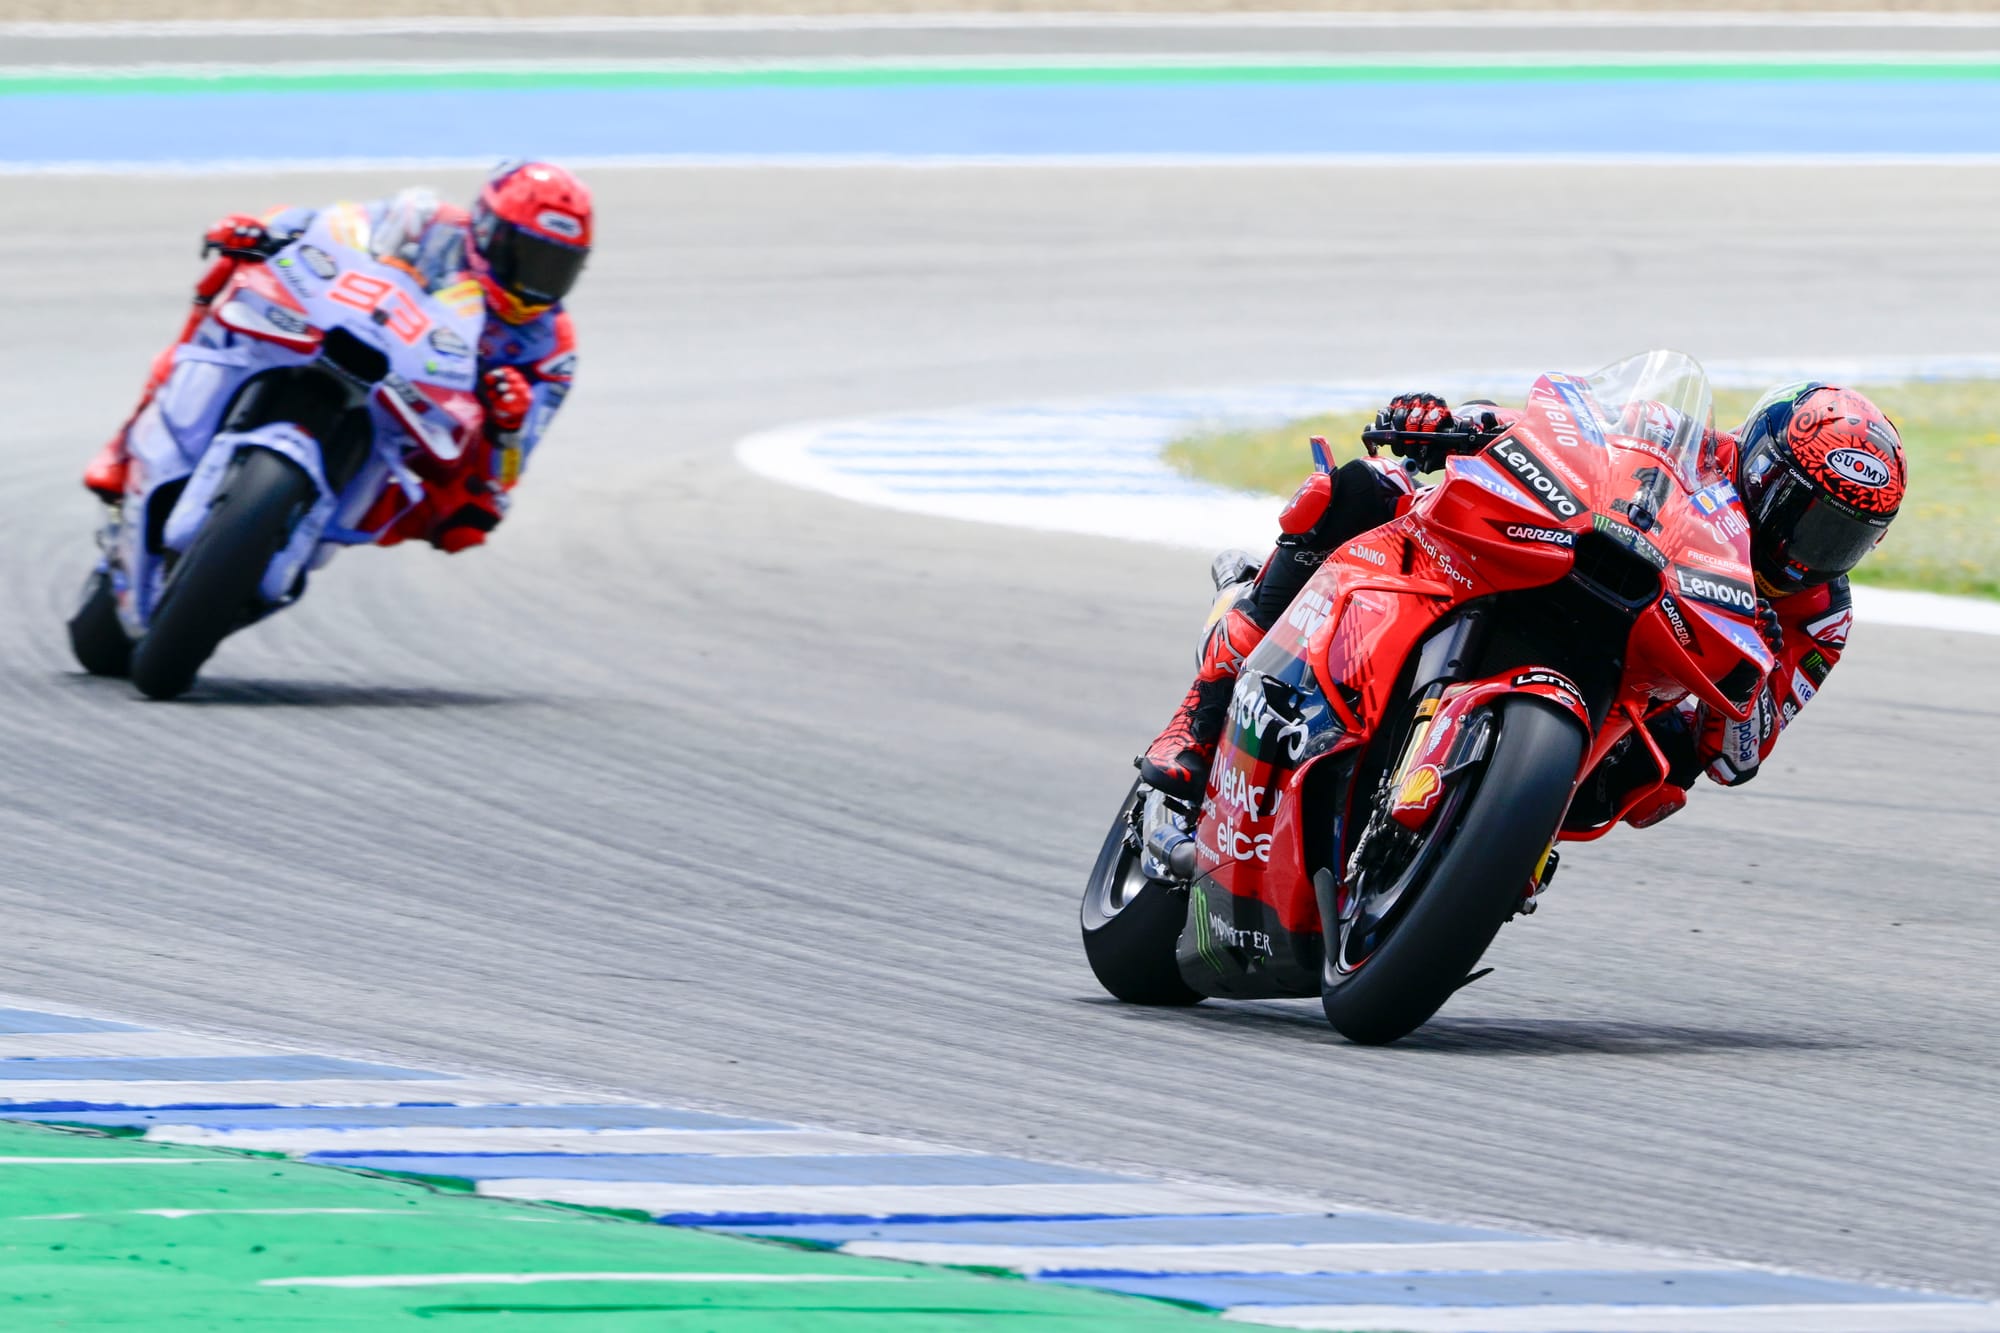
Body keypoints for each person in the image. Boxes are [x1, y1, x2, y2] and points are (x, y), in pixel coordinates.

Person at [1138, 383, 1907, 825]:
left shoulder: (1823, 618)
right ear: (1767, 469)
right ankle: (1200, 719)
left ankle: (1504, 843)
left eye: (1844, 536)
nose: (1814, 548)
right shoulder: (1687, 439)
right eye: (1811, 517)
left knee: (1659, 775)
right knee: (1357, 491)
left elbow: (1741, 758)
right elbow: (1566, 432)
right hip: (1573, 574)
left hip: (1649, 684)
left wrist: (1744, 683)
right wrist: (1466, 424)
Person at [83, 160, 591, 554]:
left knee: (467, 523)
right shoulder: (431, 225)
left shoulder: (551, 348)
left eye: (556, 268)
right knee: (226, 293)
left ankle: (307, 526)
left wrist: (506, 424)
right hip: (368, 345)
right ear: (487, 231)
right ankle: (125, 445)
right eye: (528, 256)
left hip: (434, 423)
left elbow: (507, 471)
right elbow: (335, 224)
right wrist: (265, 232)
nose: (536, 281)